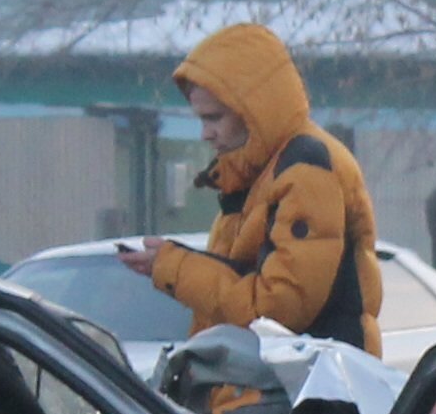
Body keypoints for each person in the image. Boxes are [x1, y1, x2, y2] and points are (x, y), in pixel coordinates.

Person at [120, 21, 385, 346]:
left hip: (301, 389)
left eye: (214, 118)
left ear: (253, 111)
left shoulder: (305, 168)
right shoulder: (254, 175)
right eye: (201, 119)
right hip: (271, 384)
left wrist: (176, 267)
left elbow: (276, 310)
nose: (205, 134)